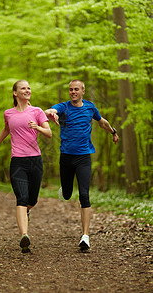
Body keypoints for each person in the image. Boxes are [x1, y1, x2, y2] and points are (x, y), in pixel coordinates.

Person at [45, 80, 119, 251]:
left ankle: (85, 236)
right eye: (71, 90)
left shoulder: (90, 107)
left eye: (76, 89)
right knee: (67, 193)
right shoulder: (64, 107)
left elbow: (102, 122)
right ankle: (65, 189)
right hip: (66, 157)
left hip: (84, 157)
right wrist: (51, 114)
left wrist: (113, 132)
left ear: (83, 91)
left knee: (84, 195)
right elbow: (50, 110)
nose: (73, 92)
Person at [0, 80, 52, 253]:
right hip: (17, 161)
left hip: (35, 160)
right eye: (23, 88)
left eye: (29, 87)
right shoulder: (8, 113)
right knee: (21, 198)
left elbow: (49, 133)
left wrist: (37, 127)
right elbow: (6, 129)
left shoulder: (37, 111)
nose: (27, 90)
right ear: (15, 93)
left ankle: (25, 213)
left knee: (32, 200)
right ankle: (25, 236)